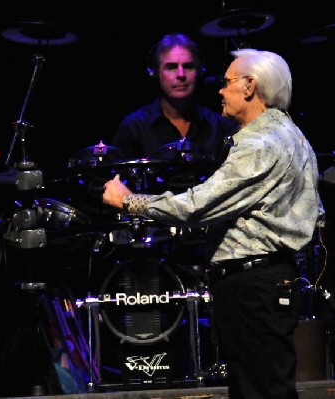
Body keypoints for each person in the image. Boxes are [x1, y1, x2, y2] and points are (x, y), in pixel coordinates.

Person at [102, 48, 325, 398]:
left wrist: (128, 200)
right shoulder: (294, 135)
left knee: (261, 389)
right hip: (271, 279)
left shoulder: (259, 144)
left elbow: (195, 206)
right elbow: (317, 211)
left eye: (227, 82)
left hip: (252, 285)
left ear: (250, 87)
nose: (220, 91)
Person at [110, 33, 238, 162]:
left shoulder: (220, 127)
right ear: (155, 72)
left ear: (200, 71)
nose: (181, 75)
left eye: (188, 66)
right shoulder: (134, 127)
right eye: (171, 67)